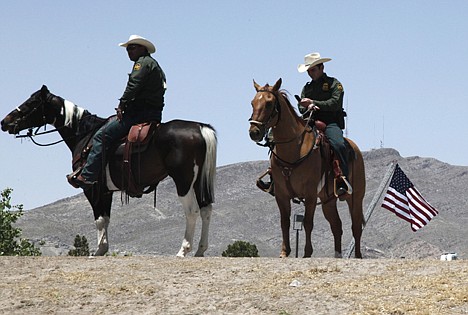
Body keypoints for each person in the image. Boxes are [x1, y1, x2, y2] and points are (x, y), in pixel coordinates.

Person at [70, 34, 167, 190]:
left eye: (132, 48)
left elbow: (133, 85)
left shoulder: (141, 64)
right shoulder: (154, 65)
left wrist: (122, 104)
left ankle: (87, 176)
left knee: (102, 136)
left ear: (143, 48)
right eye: (128, 49)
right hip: (153, 113)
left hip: (138, 114)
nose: (129, 51)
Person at [297, 52, 350, 196]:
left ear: (322, 67)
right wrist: (306, 106)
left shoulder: (334, 84)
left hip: (330, 121)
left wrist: (314, 103)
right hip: (310, 120)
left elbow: (335, 103)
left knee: (338, 144)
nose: (310, 73)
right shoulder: (307, 88)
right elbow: (301, 105)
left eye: (313, 70)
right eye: (308, 71)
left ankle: (343, 179)